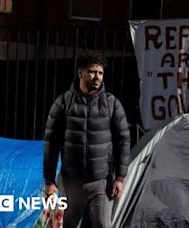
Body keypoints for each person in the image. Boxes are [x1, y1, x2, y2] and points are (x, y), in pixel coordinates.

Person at [43, 51, 131, 228]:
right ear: (80, 73)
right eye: (92, 72)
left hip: (101, 183)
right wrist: (49, 181)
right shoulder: (63, 103)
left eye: (100, 73)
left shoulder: (112, 103)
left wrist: (120, 178)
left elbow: (124, 141)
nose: (97, 77)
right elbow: (51, 144)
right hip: (71, 183)